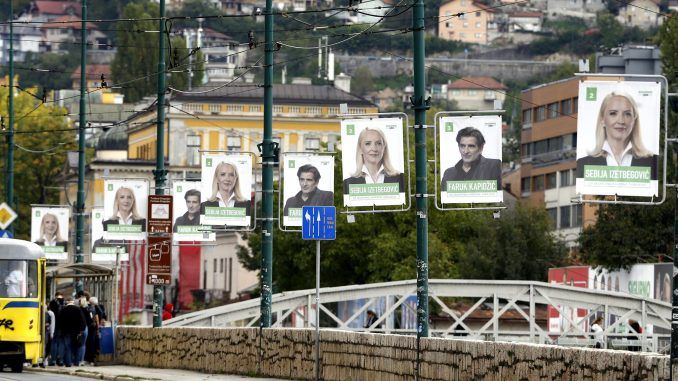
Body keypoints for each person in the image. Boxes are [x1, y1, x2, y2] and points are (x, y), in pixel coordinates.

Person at [576, 91, 658, 180]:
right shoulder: (584, 164)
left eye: (627, 114)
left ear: (634, 120)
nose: (621, 121)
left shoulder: (653, 162)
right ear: (602, 119)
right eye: (613, 113)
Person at [343, 127, 404, 194]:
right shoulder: (349, 183)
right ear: (360, 149)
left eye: (378, 143)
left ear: (384, 148)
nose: (374, 149)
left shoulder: (400, 178)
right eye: (368, 144)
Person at [440, 127, 501, 191]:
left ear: (481, 148)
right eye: (462, 146)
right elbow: (445, 197)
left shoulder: (494, 166)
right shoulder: (449, 173)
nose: (466, 151)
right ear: (458, 147)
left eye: (471, 146)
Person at [59, 297, 86, 367]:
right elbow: (82, 321)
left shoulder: (63, 310)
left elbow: (60, 321)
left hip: (66, 331)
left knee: (68, 347)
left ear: (67, 302)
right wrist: (81, 330)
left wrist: (61, 330)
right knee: (77, 346)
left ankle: (68, 363)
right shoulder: (78, 309)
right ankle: (76, 362)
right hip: (76, 331)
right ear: (73, 302)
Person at [48, 292, 64, 366]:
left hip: (54, 325)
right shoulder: (63, 303)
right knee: (60, 343)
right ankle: (60, 360)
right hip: (62, 326)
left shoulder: (52, 303)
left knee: (54, 342)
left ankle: (53, 360)